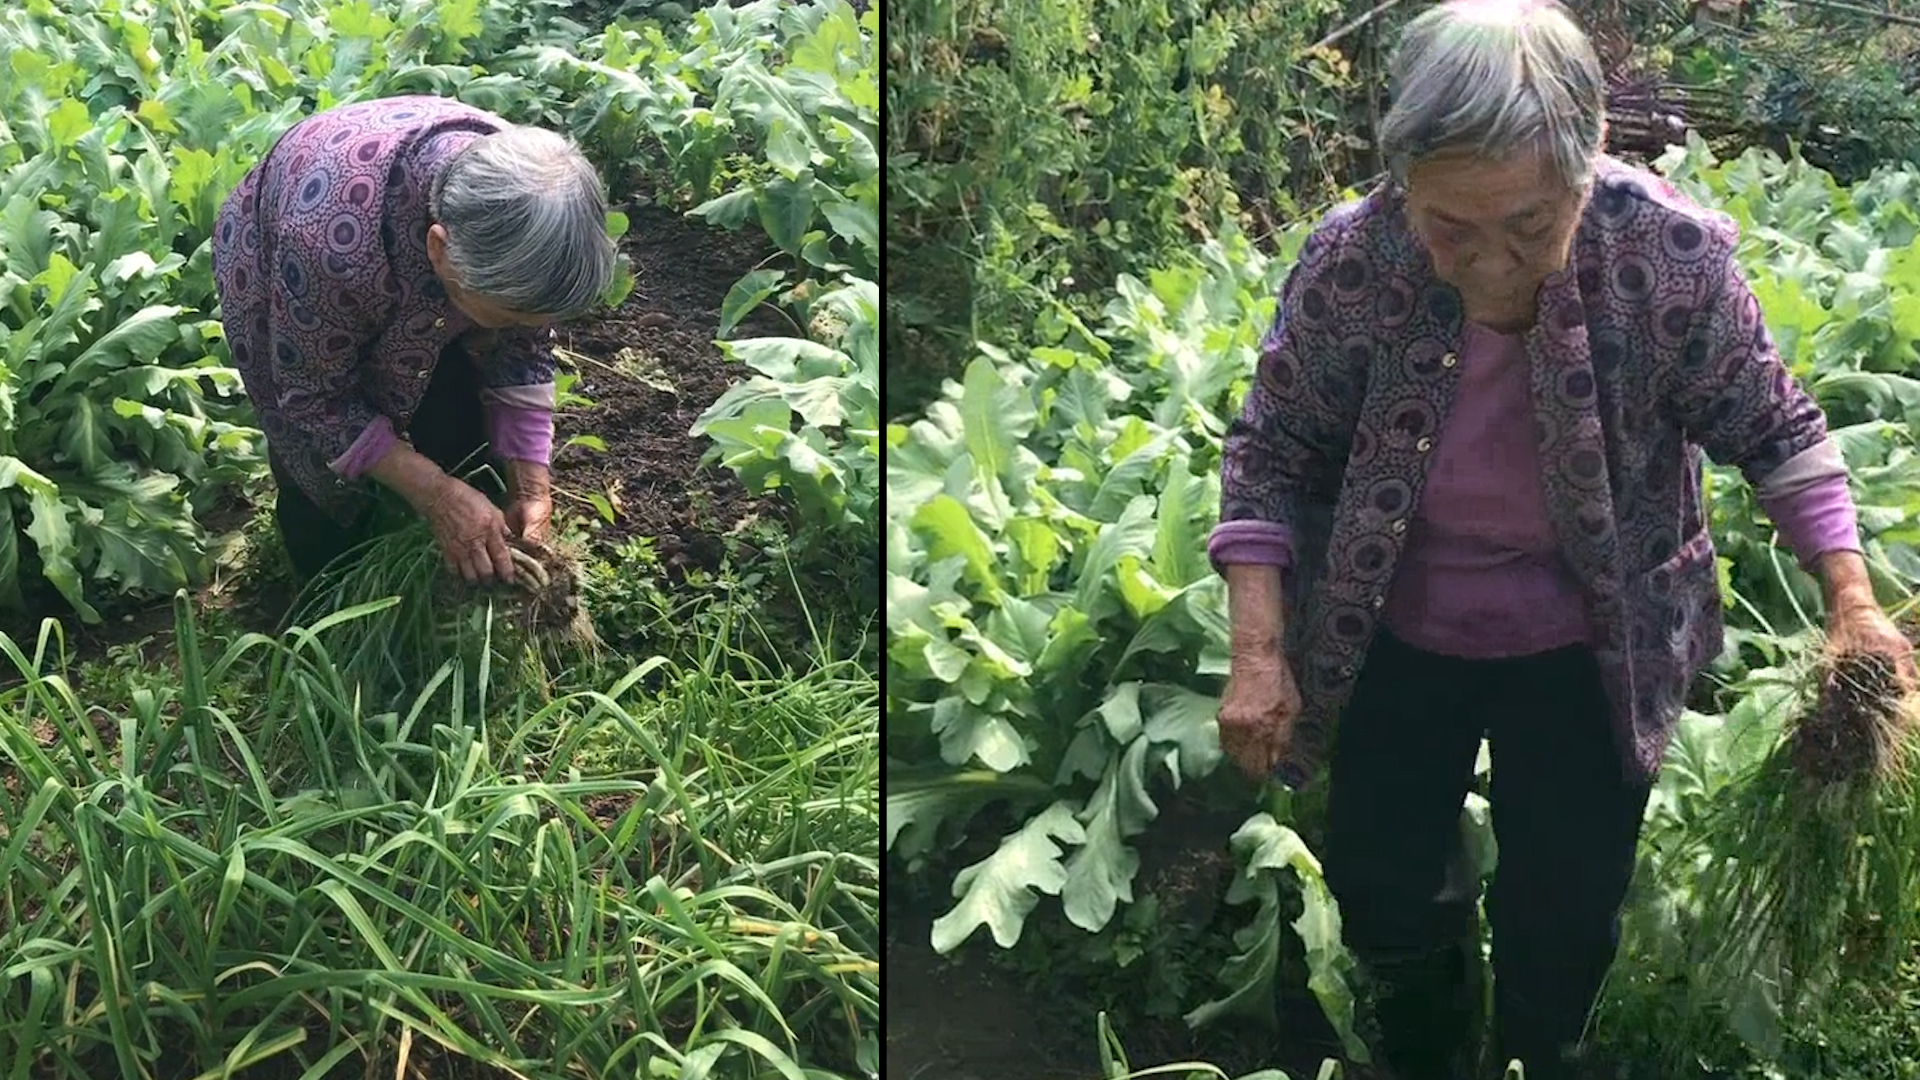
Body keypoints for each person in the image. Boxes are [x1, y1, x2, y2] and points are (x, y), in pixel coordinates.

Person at [1208, 2, 1917, 1077]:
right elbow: (1274, 447)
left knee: (1570, 894)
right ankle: (1426, 1046)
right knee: (1388, 880)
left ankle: (1545, 1051)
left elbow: (1776, 427)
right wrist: (1257, 653)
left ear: (1588, 171)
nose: (1492, 265)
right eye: (1452, 226)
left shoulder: (1670, 257)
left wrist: (1854, 603)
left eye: (1532, 226)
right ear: (1404, 184)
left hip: (1599, 638)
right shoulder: (1356, 263)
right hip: (1397, 627)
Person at [211, 95, 618, 585]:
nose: (525, 329)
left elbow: (524, 346)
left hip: (421, 239)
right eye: (512, 314)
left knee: (454, 415)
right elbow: (314, 399)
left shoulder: (524, 202)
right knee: (319, 473)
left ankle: (458, 558)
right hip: (291, 245)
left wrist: (531, 485)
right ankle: (330, 591)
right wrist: (436, 494)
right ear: (441, 252)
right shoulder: (327, 248)